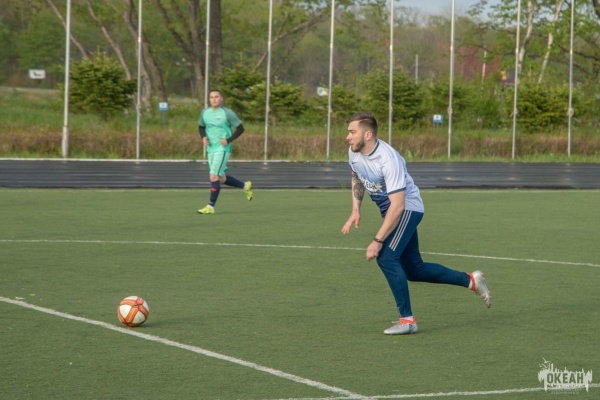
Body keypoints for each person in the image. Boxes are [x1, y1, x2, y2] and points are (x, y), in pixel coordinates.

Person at [341, 112, 491, 335]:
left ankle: (407, 321)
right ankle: (471, 280)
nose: (348, 137)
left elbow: (398, 206)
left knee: (386, 257)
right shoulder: (354, 152)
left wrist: (377, 240)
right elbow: (356, 175)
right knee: (414, 269)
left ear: (368, 134)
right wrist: (356, 208)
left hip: (407, 209)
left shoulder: (388, 159)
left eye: (352, 132)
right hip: (393, 211)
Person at [197, 89, 253, 215]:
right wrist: (203, 137)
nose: (214, 99)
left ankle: (210, 207)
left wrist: (228, 140)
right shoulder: (205, 113)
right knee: (221, 178)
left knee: (213, 176)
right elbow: (201, 127)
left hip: (223, 149)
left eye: (216, 97)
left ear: (221, 99)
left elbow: (240, 128)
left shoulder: (227, 113)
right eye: (211, 97)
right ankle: (245, 186)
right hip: (211, 148)